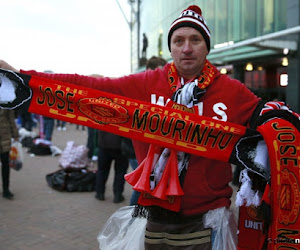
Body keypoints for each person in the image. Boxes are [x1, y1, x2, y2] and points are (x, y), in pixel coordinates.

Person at [1, 5, 299, 249]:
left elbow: (268, 117)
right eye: (178, 41)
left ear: (207, 47)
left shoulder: (232, 91)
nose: (186, 48)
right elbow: (90, 87)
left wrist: (280, 123)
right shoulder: (146, 83)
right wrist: (24, 78)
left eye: (195, 40)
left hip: (208, 220)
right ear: (170, 47)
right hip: (154, 219)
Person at [95, 131, 129, 203]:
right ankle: (118, 195)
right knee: (120, 171)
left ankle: (100, 193)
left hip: (104, 144)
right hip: (121, 145)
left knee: (102, 170)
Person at [0, 109, 19, 199]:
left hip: (4, 136)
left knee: (5, 165)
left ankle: (6, 189)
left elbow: (11, 119)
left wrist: (15, 134)